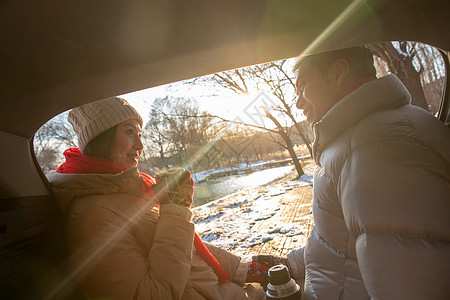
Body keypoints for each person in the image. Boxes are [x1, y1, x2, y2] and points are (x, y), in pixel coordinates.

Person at [253, 46, 450, 299]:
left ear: (338, 72)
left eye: (302, 86)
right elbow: (342, 244)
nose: (298, 102)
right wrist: (291, 264)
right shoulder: (367, 137)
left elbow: (410, 283)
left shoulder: (376, 149)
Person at [47, 97, 266, 299]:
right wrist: (175, 213)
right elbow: (152, 294)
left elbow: (186, 252)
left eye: (140, 134)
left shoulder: (130, 190)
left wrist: (242, 269)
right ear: (101, 137)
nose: (140, 146)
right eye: (130, 132)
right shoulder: (92, 216)